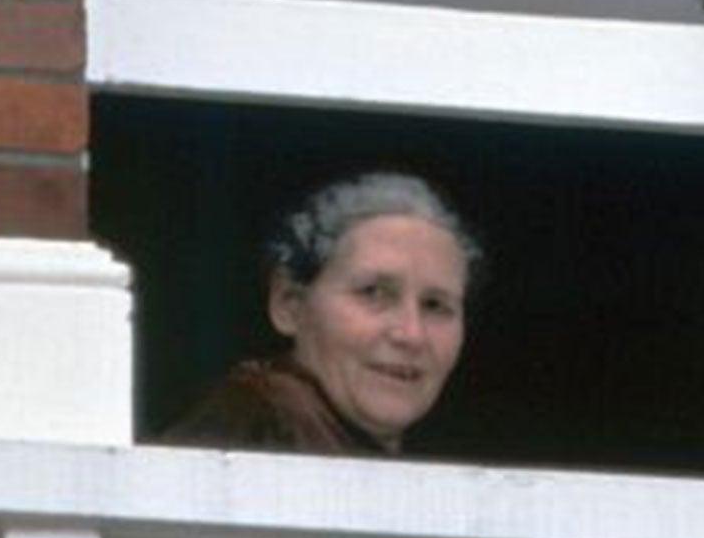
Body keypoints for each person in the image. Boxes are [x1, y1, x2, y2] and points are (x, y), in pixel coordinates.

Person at [163, 173, 480, 455]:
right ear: (289, 304)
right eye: (373, 293)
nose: (412, 334)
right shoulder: (259, 424)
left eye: (435, 305)